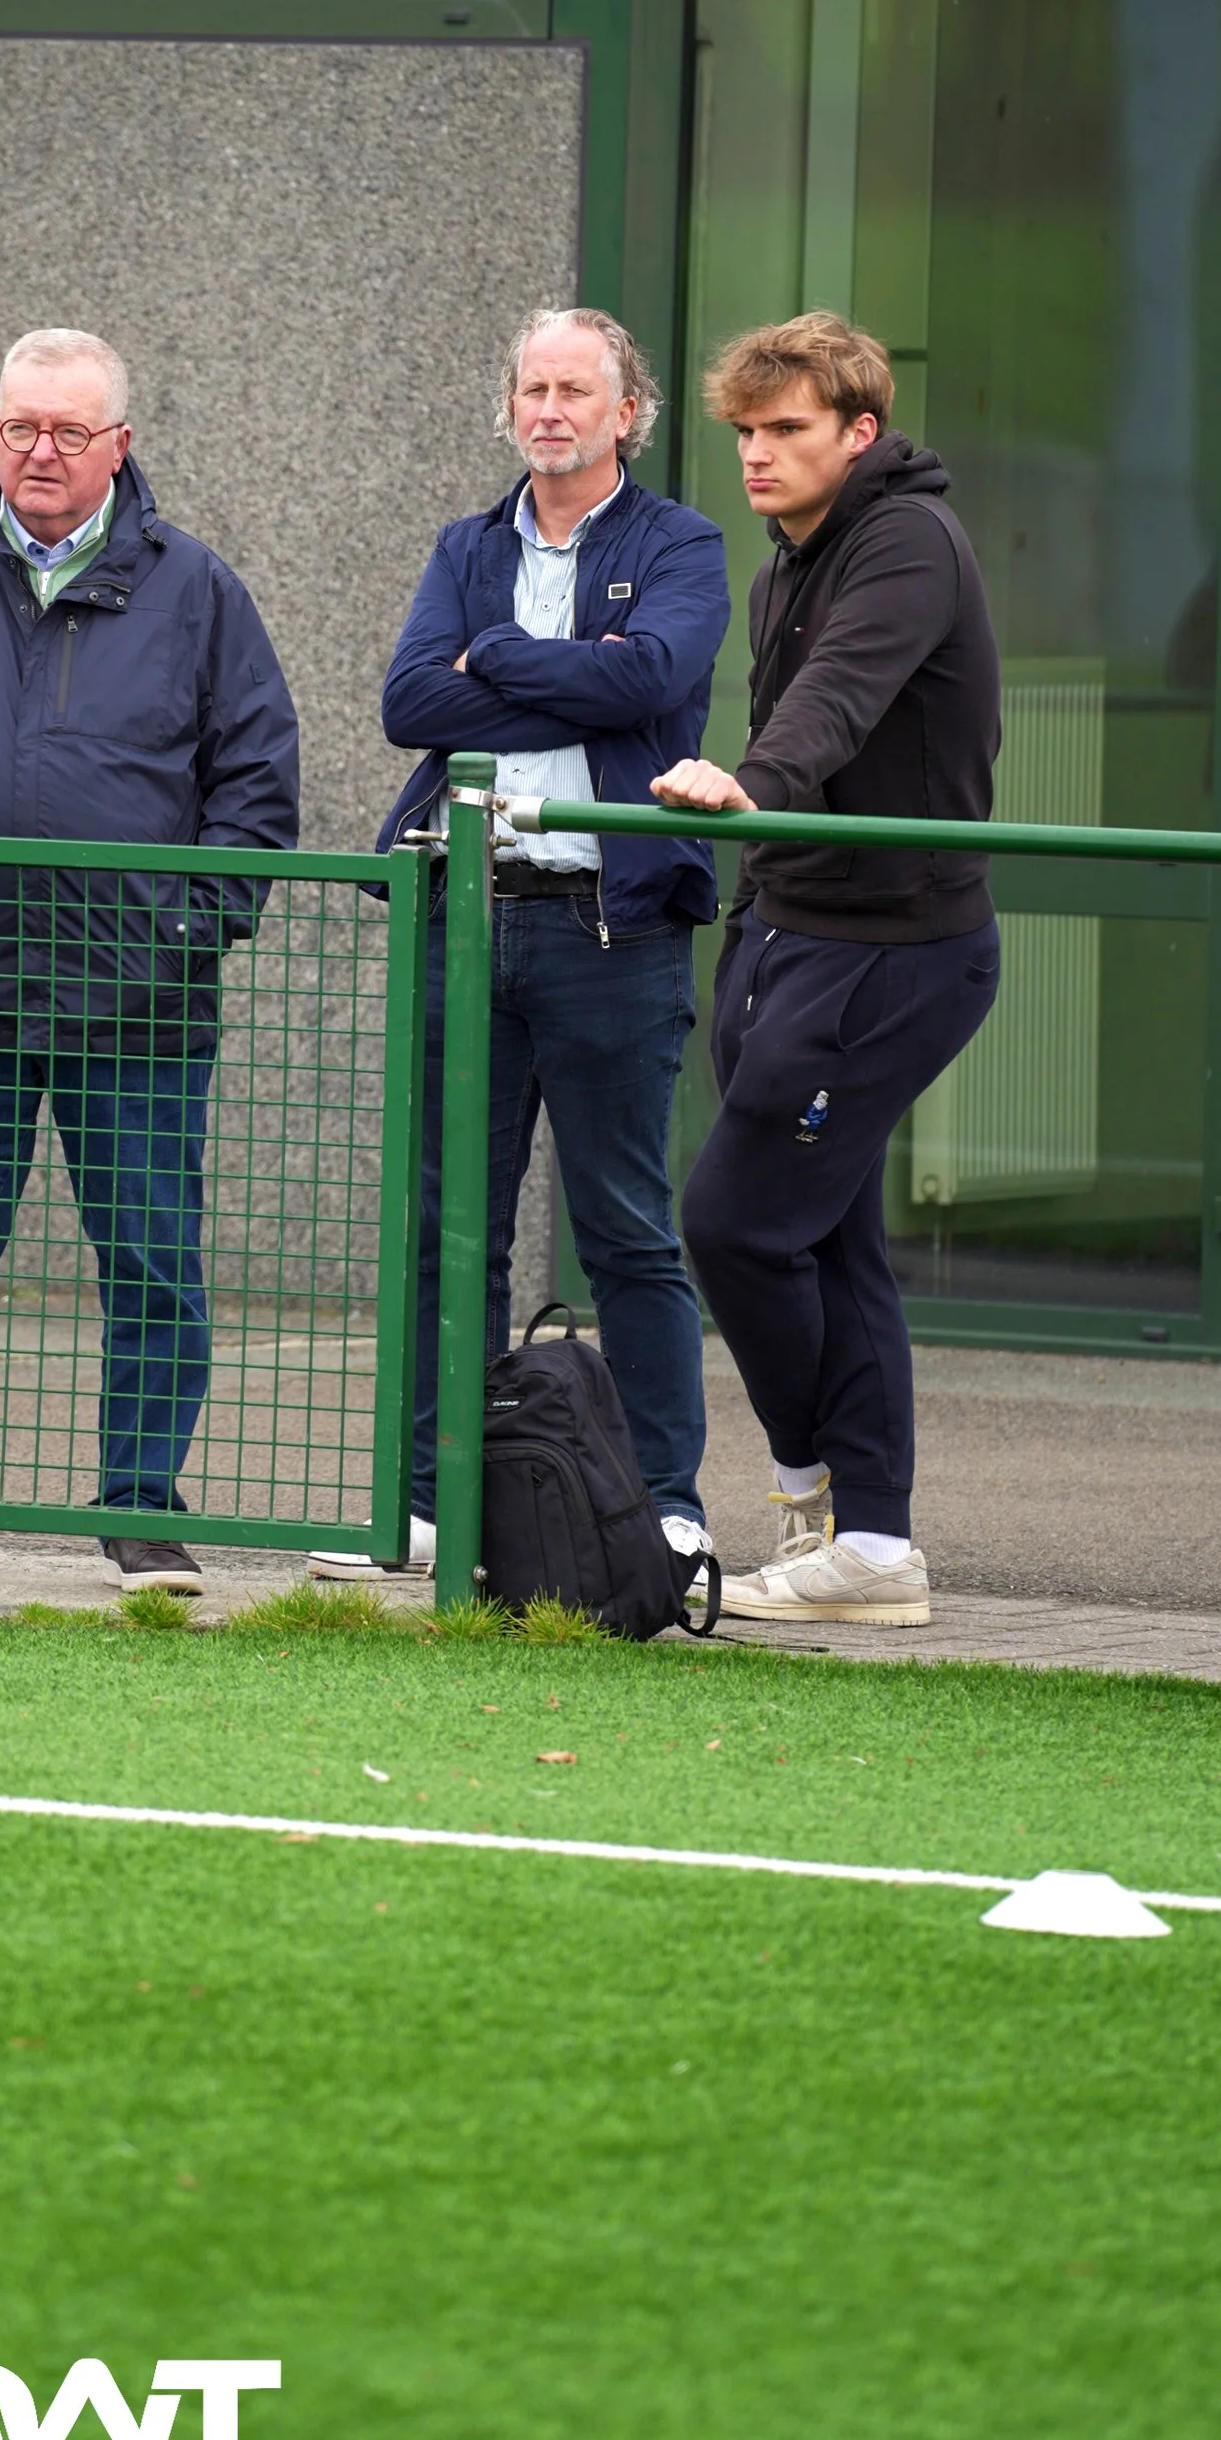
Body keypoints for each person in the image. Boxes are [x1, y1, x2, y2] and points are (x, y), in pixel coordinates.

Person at [0, 327, 299, 1595]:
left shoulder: (199, 591)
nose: (40, 450)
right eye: (19, 426)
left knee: (149, 1262)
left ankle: (142, 1510)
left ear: (119, 447)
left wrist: (194, 929)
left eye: (68, 432)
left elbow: (255, 777)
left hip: (139, 999)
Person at [325, 307, 729, 1585]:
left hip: (609, 932)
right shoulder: (463, 543)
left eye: (576, 391)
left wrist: (492, 656)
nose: (550, 411)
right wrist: (565, 664)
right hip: (466, 917)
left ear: (628, 412)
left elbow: (651, 680)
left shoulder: (681, 542)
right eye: (532, 390)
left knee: (625, 1231)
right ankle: (437, 1505)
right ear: (509, 408)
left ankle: (664, 1505)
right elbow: (408, 703)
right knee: (453, 1230)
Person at [652, 311, 1000, 1628]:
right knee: (832, 1237)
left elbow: (837, 701)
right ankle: (875, 1548)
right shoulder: (784, 558)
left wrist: (750, 781)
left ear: (860, 432)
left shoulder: (906, 538)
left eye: (787, 428)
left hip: (893, 950)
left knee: (737, 1221)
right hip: (788, 933)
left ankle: (813, 1491)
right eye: (743, 430)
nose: (757, 452)